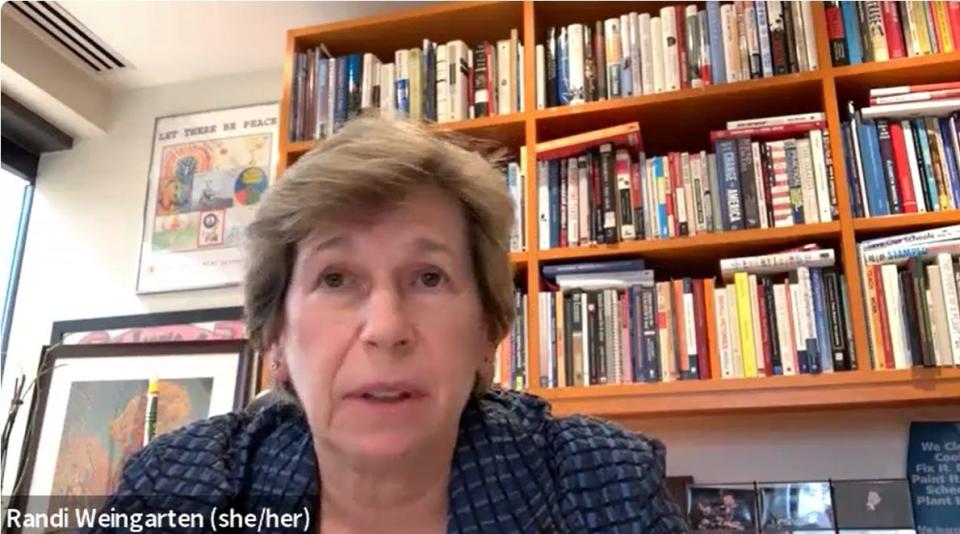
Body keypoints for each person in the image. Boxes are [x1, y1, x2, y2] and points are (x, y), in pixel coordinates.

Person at [90, 117, 687, 533]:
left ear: (487, 329)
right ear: (276, 337)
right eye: (335, 279)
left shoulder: (599, 480)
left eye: (428, 277)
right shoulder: (180, 484)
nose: (386, 328)